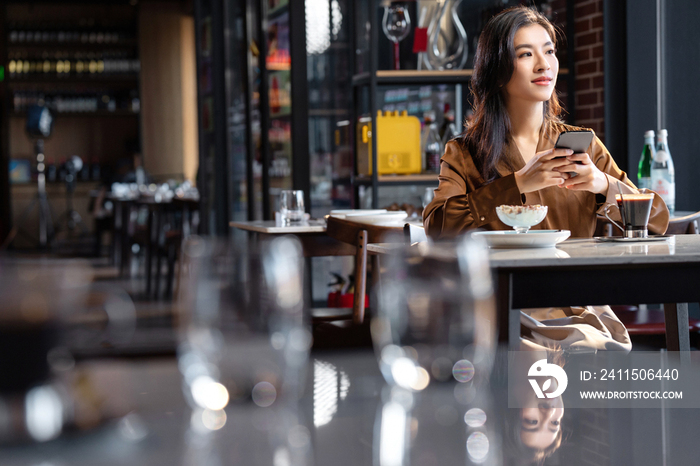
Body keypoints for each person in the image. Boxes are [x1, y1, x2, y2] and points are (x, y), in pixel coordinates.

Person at [423, 6, 670, 352]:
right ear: (497, 72)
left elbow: (658, 219)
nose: (544, 64)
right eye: (526, 54)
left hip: (580, 308)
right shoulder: (464, 153)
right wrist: (518, 183)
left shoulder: (584, 144)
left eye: (549, 51)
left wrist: (603, 185)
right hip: (503, 310)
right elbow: (436, 226)